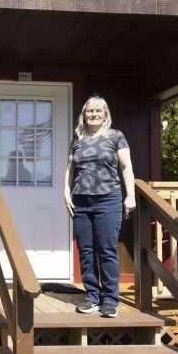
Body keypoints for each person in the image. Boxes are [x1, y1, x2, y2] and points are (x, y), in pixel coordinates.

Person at [64, 96, 135, 318]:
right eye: (89, 111)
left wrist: (130, 195)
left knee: (106, 250)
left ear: (105, 114)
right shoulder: (77, 139)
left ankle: (110, 300)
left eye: (98, 111)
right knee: (85, 251)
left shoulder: (116, 136)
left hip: (108, 199)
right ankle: (92, 296)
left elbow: (126, 167)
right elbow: (70, 169)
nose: (93, 114)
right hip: (81, 201)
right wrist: (66, 191)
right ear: (83, 115)